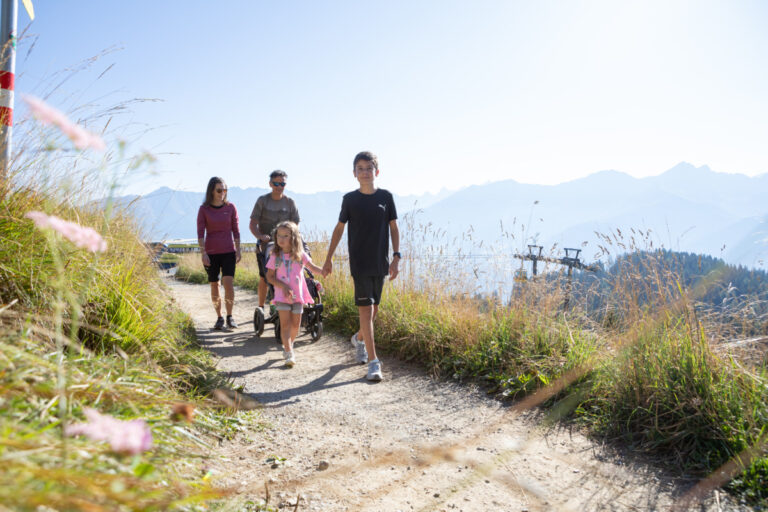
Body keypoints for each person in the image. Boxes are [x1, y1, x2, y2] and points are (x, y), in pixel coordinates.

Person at [322, 151, 400, 382]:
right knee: (365, 311)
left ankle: (359, 338)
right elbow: (339, 229)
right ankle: (373, 362)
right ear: (354, 173)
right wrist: (328, 258)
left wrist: (396, 257)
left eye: (369, 168)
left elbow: (393, 228)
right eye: (360, 168)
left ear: (376, 171)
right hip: (359, 262)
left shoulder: (386, 197)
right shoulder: (350, 199)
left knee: (374, 310)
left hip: (380, 262)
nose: (365, 172)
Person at [266, 221, 324, 367]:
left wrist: (323, 271)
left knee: (296, 325)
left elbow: (312, 268)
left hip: (297, 296)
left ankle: (289, 345)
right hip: (282, 296)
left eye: (286, 235)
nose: (281, 239)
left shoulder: (300, 255)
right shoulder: (276, 256)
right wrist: (283, 286)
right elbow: (270, 277)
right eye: (279, 235)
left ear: (294, 237)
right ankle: (289, 351)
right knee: (285, 325)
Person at [249, 170, 301, 315]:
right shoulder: (262, 201)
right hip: (267, 245)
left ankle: (290, 300)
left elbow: (296, 224)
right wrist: (260, 236)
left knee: (287, 273)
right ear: (270, 184)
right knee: (265, 276)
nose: (279, 186)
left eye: (282, 183)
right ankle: (261, 305)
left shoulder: (290, 202)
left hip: (287, 245)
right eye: (277, 183)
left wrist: (294, 239)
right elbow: (253, 224)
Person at [197, 177, 241, 330]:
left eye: (225, 190)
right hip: (211, 253)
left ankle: (230, 316)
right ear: (212, 191)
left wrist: (239, 249)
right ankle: (219, 317)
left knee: (228, 284)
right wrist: (203, 253)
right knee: (214, 285)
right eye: (219, 190)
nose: (222, 193)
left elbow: (236, 230)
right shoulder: (204, 209)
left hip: (229, 251)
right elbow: (200, 233)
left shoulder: (231, 207)